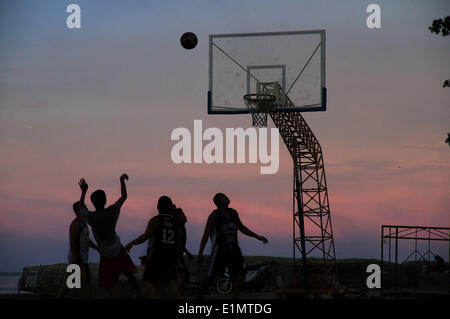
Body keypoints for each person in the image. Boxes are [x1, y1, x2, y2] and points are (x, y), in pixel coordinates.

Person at [76, 174, 140, 298]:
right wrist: (121, 181)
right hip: (118, 249)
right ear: (105, 200)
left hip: (105, 254)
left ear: (93, 203)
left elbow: (80, 208)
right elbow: (124, 196)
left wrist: (83, 191)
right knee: (129, 273)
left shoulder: (91, 217)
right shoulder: (112, 211)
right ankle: (138, 292)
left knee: (108, 284)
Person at [197, 193, 268, 299]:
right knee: (211, 276)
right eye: (223, 197)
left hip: (234, 248)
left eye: (225, 196)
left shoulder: (233, 212)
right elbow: (206, 235)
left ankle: (235, 297)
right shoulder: (214, 216)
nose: (226, 197)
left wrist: (257, 236)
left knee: (241, 273)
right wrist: (200, 253)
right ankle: (200, 295)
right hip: (220, 249)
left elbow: (242, 227)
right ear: (218, 202)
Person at [125, 196, 184, 298]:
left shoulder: (155, 220)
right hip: (170, 255)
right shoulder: (175, 222)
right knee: (170, 281)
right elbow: (178, 241)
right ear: (170, 207)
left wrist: (131, 243)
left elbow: (145, 236)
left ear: (158, 206)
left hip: (156, 256)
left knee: (149, 281)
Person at [57, 201, 99, 299]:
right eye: (84, 207)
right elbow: (72, 243)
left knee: (69, 285)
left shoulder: (83, 223)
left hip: (81, 259)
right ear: (78, 210)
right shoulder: (75, 224)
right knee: (86, 283)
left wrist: (97, 248)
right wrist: (76, 260)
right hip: (77, 260)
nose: (87, 209)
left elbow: (86, 240)